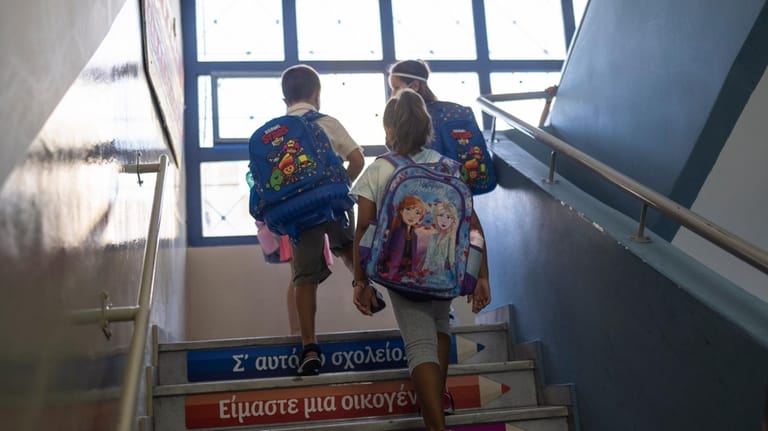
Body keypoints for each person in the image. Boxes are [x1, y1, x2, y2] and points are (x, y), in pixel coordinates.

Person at [351, 88, 491, 431]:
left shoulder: (379, 169)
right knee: (440, 327)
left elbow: (364, 231)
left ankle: (436, 426)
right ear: (428, 128)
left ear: (389, 130)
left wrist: (360, 281)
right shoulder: (449, 167)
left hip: (400, 269)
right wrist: (482, 276)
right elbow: (473, 227)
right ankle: (436, 411)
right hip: (444, 269)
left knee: (419, 342)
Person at [280, 64, 365, 376]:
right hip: (333, 205)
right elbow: (357, 158)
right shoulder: (327, 122)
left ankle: (309, 346)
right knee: (347, 248)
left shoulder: (277, 129)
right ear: (316, 94)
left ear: (285, 98)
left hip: (298, 215)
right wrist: (339, 187)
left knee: (303, 278)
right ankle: (364, 288)